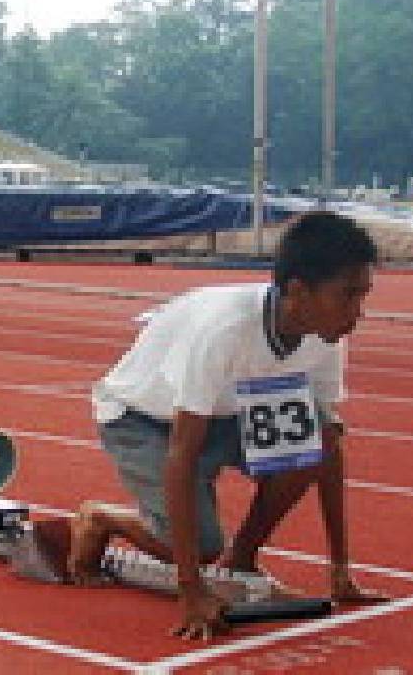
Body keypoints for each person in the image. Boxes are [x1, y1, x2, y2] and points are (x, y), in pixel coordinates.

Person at [61, 211, 388, 641]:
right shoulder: (225, 330)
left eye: (362, 296)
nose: (357, 313)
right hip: (144, 418)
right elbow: (182, 455)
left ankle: (242, 558)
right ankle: (103, 518)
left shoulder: (325, 333)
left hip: (228, 411)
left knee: (321, 434)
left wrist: (340, 569)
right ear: (297, 292)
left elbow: (326, 449)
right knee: (200, 546)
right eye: (348, 297)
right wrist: (191, 588)